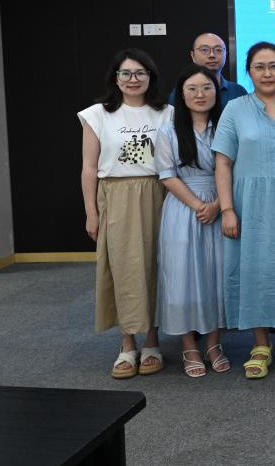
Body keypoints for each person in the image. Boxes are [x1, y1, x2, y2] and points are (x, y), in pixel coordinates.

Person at [212, 41, 275, 380]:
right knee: (253, 269)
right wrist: (227, 209)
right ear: (249, 71)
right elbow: (223, 163)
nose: (267, 73)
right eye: (259, 67)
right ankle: (260, 344)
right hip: (249, 203)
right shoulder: (235, 109)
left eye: (273, 66)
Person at [78, 48, 173, 378]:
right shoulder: (97, 115)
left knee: (156, 266)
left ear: (151, 77)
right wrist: (91, 212)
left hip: (159, 193)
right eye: (126, 73)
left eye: (140, 73)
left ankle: (153, 342)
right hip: (116, 195)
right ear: (115, 78)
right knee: (123, 268)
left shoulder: (167, 113)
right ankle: (127, 344)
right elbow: (89, 168)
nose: (133, 79)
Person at [154, 65, 229, 378]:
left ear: (216, 92)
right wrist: (200, 206)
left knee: (217, 275)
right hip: (183, 208)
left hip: (222, 203)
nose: (200, 94)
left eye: (207, 88)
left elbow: (234, 169)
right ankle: (188, 345)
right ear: (181, 95)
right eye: (192, 89)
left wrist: (218, 205)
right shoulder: (168, 131)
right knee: (182, 276)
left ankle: (213, 343)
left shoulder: (226, 126)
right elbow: (167, 176)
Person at [168, 32, 247, 106]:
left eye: (218, 50)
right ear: (193, 56)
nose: (212, 55)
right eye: (204, 50)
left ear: (226, 54)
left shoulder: (238, 92)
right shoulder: (180, 93)